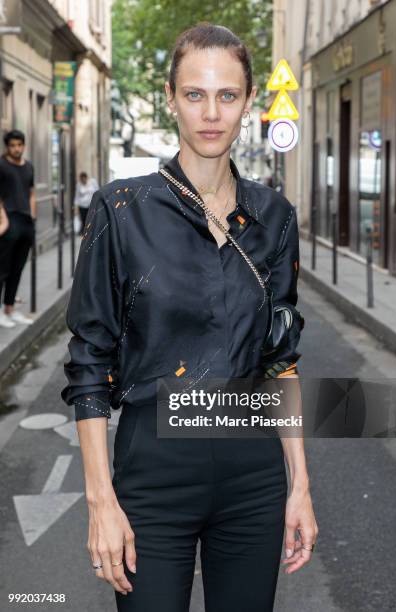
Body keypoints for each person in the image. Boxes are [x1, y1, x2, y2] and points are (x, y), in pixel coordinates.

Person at [61, 23, 318, 611]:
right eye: (195, 94)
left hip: (252, 474)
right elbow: (89, 363)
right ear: (171, 98)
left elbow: (281, 359)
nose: (211, 112)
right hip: (153, 472)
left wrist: (299, 485)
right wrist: (102, 502)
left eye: (227, 95)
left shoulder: (274, 217)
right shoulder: (122, 211)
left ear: (249, 101)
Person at [0, 129, 36, 328]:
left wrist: (33, 216)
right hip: (8, 221)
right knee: (2, 269)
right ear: (8, 146)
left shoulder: (29, 167)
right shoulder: (2, 165)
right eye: (13, 145)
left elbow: (31, 193)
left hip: (25, 222)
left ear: (23, 145)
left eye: (19, 145)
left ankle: (9, 308)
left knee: (17, 269)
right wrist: (3, 220)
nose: (16, 149)